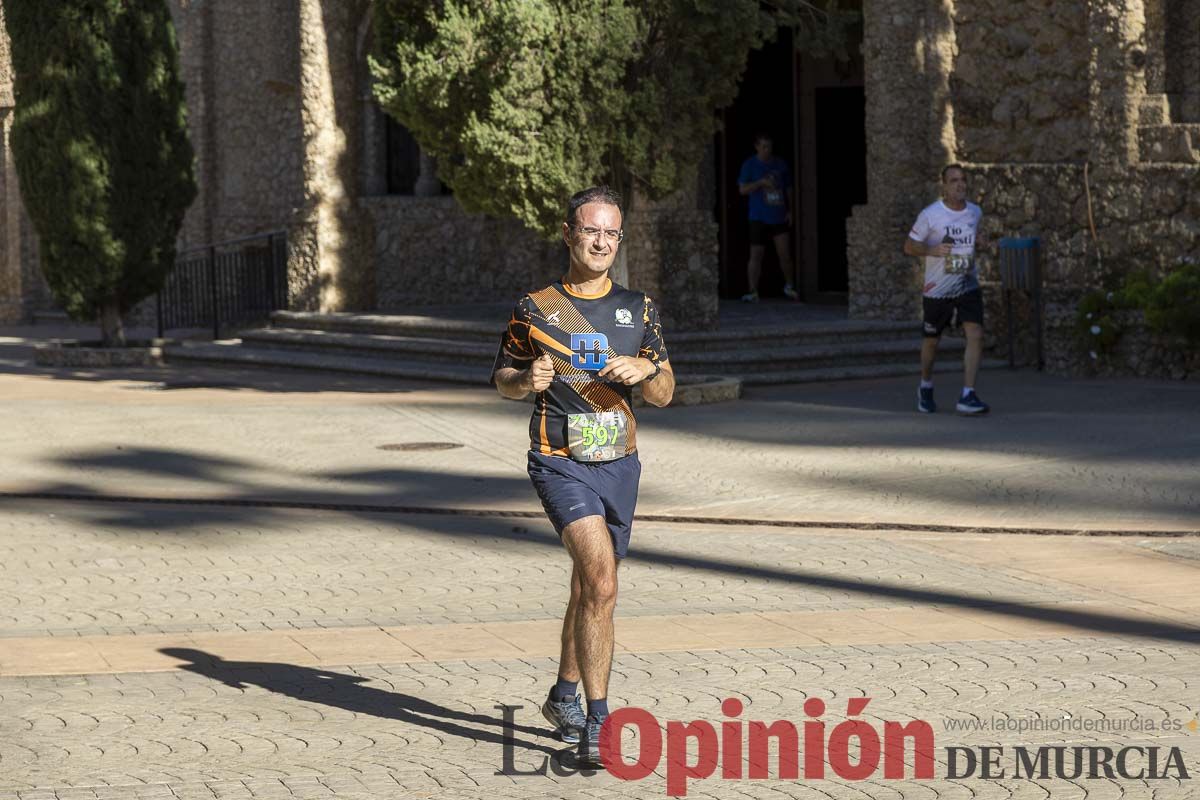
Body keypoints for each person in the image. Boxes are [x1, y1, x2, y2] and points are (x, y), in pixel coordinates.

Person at [491, 186, 675, 766]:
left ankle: (562, 695)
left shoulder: (639, 309)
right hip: (558, 461)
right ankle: (599, 722)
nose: (600, 242)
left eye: (611, 233)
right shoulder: (536, 307)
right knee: (601, 582)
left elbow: (667, 393)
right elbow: (502, 375)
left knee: (587, 586)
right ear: (569, 234)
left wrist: (648, 368)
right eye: (590, 230)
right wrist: (527, 381)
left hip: (620, 464)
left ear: (619, 240)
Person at [904, 164, 990, 415]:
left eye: (963, 180)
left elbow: (974, 238)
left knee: (975, 333)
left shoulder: (975, 212)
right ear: (944, 186)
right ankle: (926, 385)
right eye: (953, 181)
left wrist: (980, 242)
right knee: (932, 341)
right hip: (937, 289)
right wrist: (932, 250)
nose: (959, 185)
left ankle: (968, 395)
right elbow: (909, 247)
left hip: (967, 283)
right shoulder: (931, 215)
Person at [738, 133, 797, 302]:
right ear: (756, 146)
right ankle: (752, 290)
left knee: (784, 253)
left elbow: (789, 188)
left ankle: (789, 286)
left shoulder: (780, 164)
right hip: (758, 216)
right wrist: (760, 183)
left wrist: (790, 210)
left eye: (769, 147)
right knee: (756, 254)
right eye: (763, 147)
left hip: (779, 215)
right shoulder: (749, 165)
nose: (767, 150)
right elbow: (742, 190)